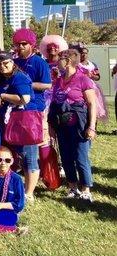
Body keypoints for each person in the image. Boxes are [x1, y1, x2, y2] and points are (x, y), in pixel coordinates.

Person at [49, 48, 98, 202]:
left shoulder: (84, 79)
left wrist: (91, 127)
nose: (57, 61)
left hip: (79, 125)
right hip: (62, 124)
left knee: (81, 157)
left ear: (68, 61)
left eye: (60, 59)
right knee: (66, 156)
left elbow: (92, 104)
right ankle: (72, 187)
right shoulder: (58, 80)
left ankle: (86, 189)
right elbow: (54, 103)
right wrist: (51, 126)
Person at [0, 51, 39, 202]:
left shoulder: (19, 77)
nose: (2, 66)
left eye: (5, 63)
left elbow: (24, 99)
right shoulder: (4, 78)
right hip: (11, 123)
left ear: (12, 63)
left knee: (29, 157)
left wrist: (3, 96)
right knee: (15, 155)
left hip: (24, 122)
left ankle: (29, 192)